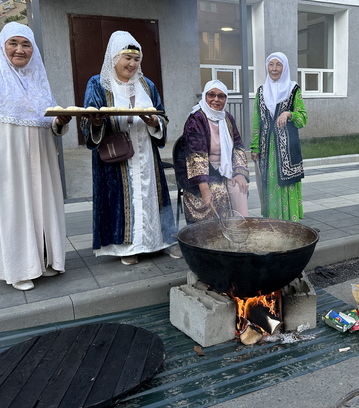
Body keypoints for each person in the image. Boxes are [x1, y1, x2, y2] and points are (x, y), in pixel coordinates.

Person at [0, 22, 71, 291]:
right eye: (14, 43)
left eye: (26, 44)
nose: (20, 50)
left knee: (41, 207)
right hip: (6, 159)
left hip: (41, 157)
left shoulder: (38, 78)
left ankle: (44, 261)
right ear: (2, 46)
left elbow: (49, 124)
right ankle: (18, 269)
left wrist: (61, 121)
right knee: (13, 210)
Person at [81, 30, 180, 265]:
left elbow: (162, 116)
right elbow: (88, 119)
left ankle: (155, 242)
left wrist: (154, 122)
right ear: (114, 58)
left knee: (148, 196)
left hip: (145, 152)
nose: (132, 64)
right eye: (127, 58)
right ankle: (127, 247)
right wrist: (96, 122)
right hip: (116, 156)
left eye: (136, 59)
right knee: (122, 200)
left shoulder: (147, 85)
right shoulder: (99, 84)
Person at [175, 80, 249, 224]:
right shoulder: (196, 119)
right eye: (212, 95)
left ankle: (238, 229)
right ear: (205, 96)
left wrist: (240, 173)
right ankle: (213, 235)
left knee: (239, 187)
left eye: (221, 96)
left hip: (224, 166)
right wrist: (204, 187)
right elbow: (195, 155)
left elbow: (238, 146)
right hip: (196, 171)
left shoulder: (227, 118)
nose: (216, 99)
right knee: (217, 191)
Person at [250, 52, 307, 221]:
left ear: (285, 67)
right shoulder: (261, 91)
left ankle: (291, 221)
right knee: (269, 183)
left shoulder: (293, 89)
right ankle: (274, 221)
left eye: (278, 65)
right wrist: (255, 147)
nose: (274, 69)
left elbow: (303, 117)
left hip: (288, 148)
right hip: (267, 148)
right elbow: (256, 121)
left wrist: (289, 113)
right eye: (271, 64)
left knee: (287, 182)